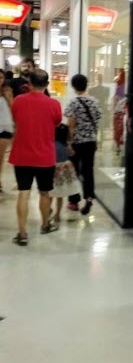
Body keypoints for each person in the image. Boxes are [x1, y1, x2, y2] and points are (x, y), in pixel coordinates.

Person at [9, 69, 62, 246]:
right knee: (44, 192)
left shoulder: (18, 101)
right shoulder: (53, 104)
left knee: (23, 193)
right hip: (45, 156)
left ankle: (22, 233)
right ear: (47, 84)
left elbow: (16, 119)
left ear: (29, 83)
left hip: (22, 154)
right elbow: (56, 122)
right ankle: (45, 225)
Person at [64, 74, 102, 216]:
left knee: (73, 171)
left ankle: (74, 201)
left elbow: (71, 126)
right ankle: (89, 197)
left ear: (73, 86)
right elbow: (96, 123)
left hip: (77, 142)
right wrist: (96, 140)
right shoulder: (94, 102)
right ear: (86, 85)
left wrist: (69, 143)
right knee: (88, 171)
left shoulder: (73, 103)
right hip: (90, 142)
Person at [50, 123, 81, 223]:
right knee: (59, 196)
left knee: (49, 194)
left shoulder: (51, 144)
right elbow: (72, 153)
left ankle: (48, 209)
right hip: (61, 173)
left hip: (51, 172)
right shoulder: (65, 146)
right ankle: (57, 215)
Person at [0, 69, 13, 191]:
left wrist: (7, 96)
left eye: (1, 77)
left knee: (0, 156)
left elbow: (13, 106)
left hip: (5, 126)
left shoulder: (7, 90)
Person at [89, 74, 110, 146]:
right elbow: (106, 100)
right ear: (102, 79)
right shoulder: (106, 89)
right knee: (101, 127)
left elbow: (91, 99)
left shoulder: (92, 89)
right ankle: (101, 143)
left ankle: (95, 142)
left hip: (95, 109)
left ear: (97, 79)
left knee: (95, 127)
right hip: (102, 109)